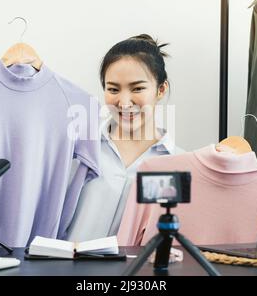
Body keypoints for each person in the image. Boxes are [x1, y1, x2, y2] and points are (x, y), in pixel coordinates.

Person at [64, 34, 183, 242]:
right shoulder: (79, 150)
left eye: (137, 88)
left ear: (160, 89)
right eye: (113, 89)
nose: (124, 102)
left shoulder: (178, 164)